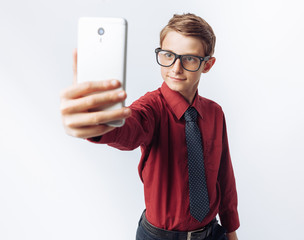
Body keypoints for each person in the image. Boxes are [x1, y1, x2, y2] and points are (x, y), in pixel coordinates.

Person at [60, 13, 240, 240]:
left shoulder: (214, 112)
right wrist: (99, 123)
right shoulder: (151, 108)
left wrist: (231, 230)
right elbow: (128, 128)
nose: (175, 68)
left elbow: (224, 175)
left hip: (212, 234)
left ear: (208, 65)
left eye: (190, 59)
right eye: (168, 55)